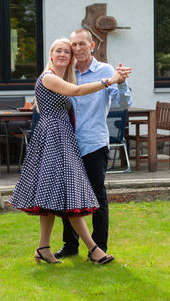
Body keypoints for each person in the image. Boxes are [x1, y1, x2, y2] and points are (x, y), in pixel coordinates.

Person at [9, 38, 131, 265]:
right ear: (51, 55)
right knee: (69, 194)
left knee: (51, 194)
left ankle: (43, 248)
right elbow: (77, 91)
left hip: (59, 137)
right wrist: (110, 81)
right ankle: (94, 249)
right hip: (54, 138)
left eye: (67, 51)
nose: (63, 54)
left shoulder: (59, 77)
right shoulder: (49, 77)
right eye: (59, 51)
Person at [54, 29, 132, 259]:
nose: (77, 49)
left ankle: (99, 248)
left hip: (93, 143)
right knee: (69, 196)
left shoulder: (106, 71)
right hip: (68, 144)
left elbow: (123, 102)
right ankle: (70, 245)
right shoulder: (67, 72)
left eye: (81, 44)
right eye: (73, 45)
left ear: (92, 45)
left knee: (97, 196)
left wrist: (121, 83)